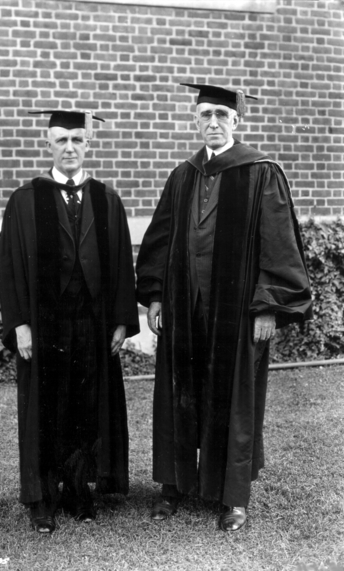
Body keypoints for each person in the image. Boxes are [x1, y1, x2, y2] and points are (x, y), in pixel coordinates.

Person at [136, 84, 312, 532]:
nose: (212, 122)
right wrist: (156, 295)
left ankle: (233, 498)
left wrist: (268, 307)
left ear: (237, 120)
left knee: (233, 400)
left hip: (235, 313)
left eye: (221, 114)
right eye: (204, 115)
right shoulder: (183, 174)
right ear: (195, 120)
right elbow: (159, 238)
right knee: (179, 396)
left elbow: (279, 245)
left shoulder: (260, 172)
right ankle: (173, 487)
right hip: (184, 306)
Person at [0, 109, 139, 534]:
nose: (70, 147)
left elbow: (119, 265)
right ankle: (42, 498)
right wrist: (20, 323)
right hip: (44, 327)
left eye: (78, 139)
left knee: (84, 408)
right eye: (62, 140)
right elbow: (9, 267)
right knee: (44, 408)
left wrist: (120, 321)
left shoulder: (106, 199)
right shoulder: (25, 199)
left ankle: (80, 490)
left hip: (92, 326)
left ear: (89, 144)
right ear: (48, 144)